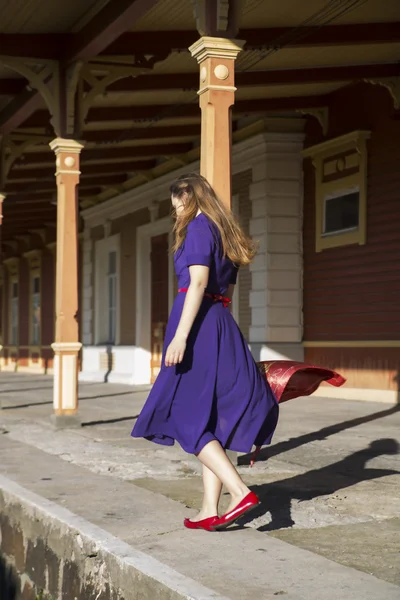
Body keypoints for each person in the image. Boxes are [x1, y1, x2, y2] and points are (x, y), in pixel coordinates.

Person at [131, 173, 279, 531]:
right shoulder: (223, 231)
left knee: (185, 416)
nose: (176, 212)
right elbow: (221, 288)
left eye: (177, 204)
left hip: (196, 327)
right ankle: (209, 508)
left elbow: (197, 283)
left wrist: (181, 337)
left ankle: (239, 491)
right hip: (219, 323)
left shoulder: (198, 228)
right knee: (208, 419)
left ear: (189, 198)